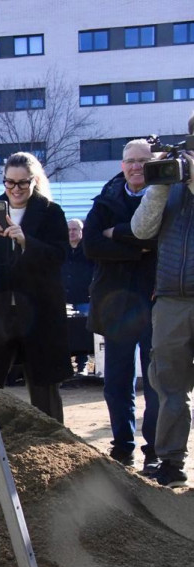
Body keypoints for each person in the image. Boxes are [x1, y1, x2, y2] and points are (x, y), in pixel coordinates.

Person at [0, 152, 70, 422]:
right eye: (10, 182)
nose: (15, 189)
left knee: (44, 386)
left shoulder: (51, 211)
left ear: (34, 181)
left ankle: (51, 439)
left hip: (39, 312)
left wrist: (26, 242)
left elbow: (60, 256)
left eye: (23, 183)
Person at [83, 138, 159, 471]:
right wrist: (136, 249)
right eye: (131, 161)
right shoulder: (106, 199)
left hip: (155, 302)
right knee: (116, 382)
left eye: (144, 160)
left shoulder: (164, 196)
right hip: (116, 306)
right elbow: (90, 245)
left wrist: (116, 233)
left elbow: (157, 239)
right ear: (122, 165)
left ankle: (154, 451)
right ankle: (122, 446)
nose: (136, 166)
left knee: (156, 383)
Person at [130, 111, 194, 487]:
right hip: (171, 298)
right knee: (169, 386)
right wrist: (160, 184)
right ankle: (170, 462)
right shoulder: (174, 175)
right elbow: (141, 229)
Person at [61, 218, 95, 377]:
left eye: (75, 229)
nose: (71, 232)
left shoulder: (89, 250)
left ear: (81, 231)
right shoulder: (61, 250)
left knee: (84, 333)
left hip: (84, 298)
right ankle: (67, 367)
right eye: (68, 230)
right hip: (64, 299)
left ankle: (83, 366)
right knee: (65, 333)